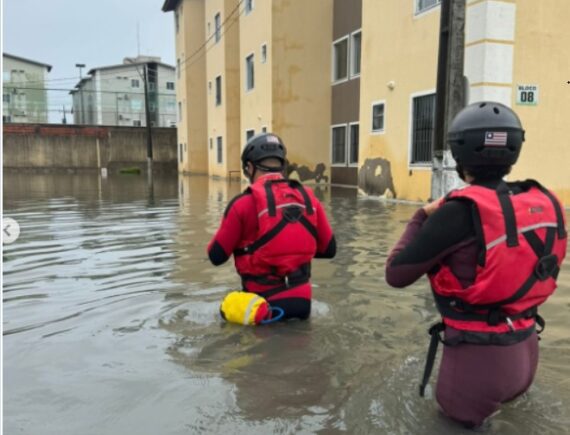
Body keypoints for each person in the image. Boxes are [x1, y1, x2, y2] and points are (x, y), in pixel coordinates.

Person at [385, 101, 567, 428]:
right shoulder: (538, 201)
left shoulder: (458, 211)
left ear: (459, 154)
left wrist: (421, 215)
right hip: (525, 347)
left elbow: (396, 274)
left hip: (480, 362)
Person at [208, 132, 336, 321]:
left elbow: (216, 256)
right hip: (302, 303)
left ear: (249, 167)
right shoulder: (310, 199)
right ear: (282, 165)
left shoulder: (242, 204)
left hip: (262, 308)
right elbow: (329, 249)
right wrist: (294, 248)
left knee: (227, 306)